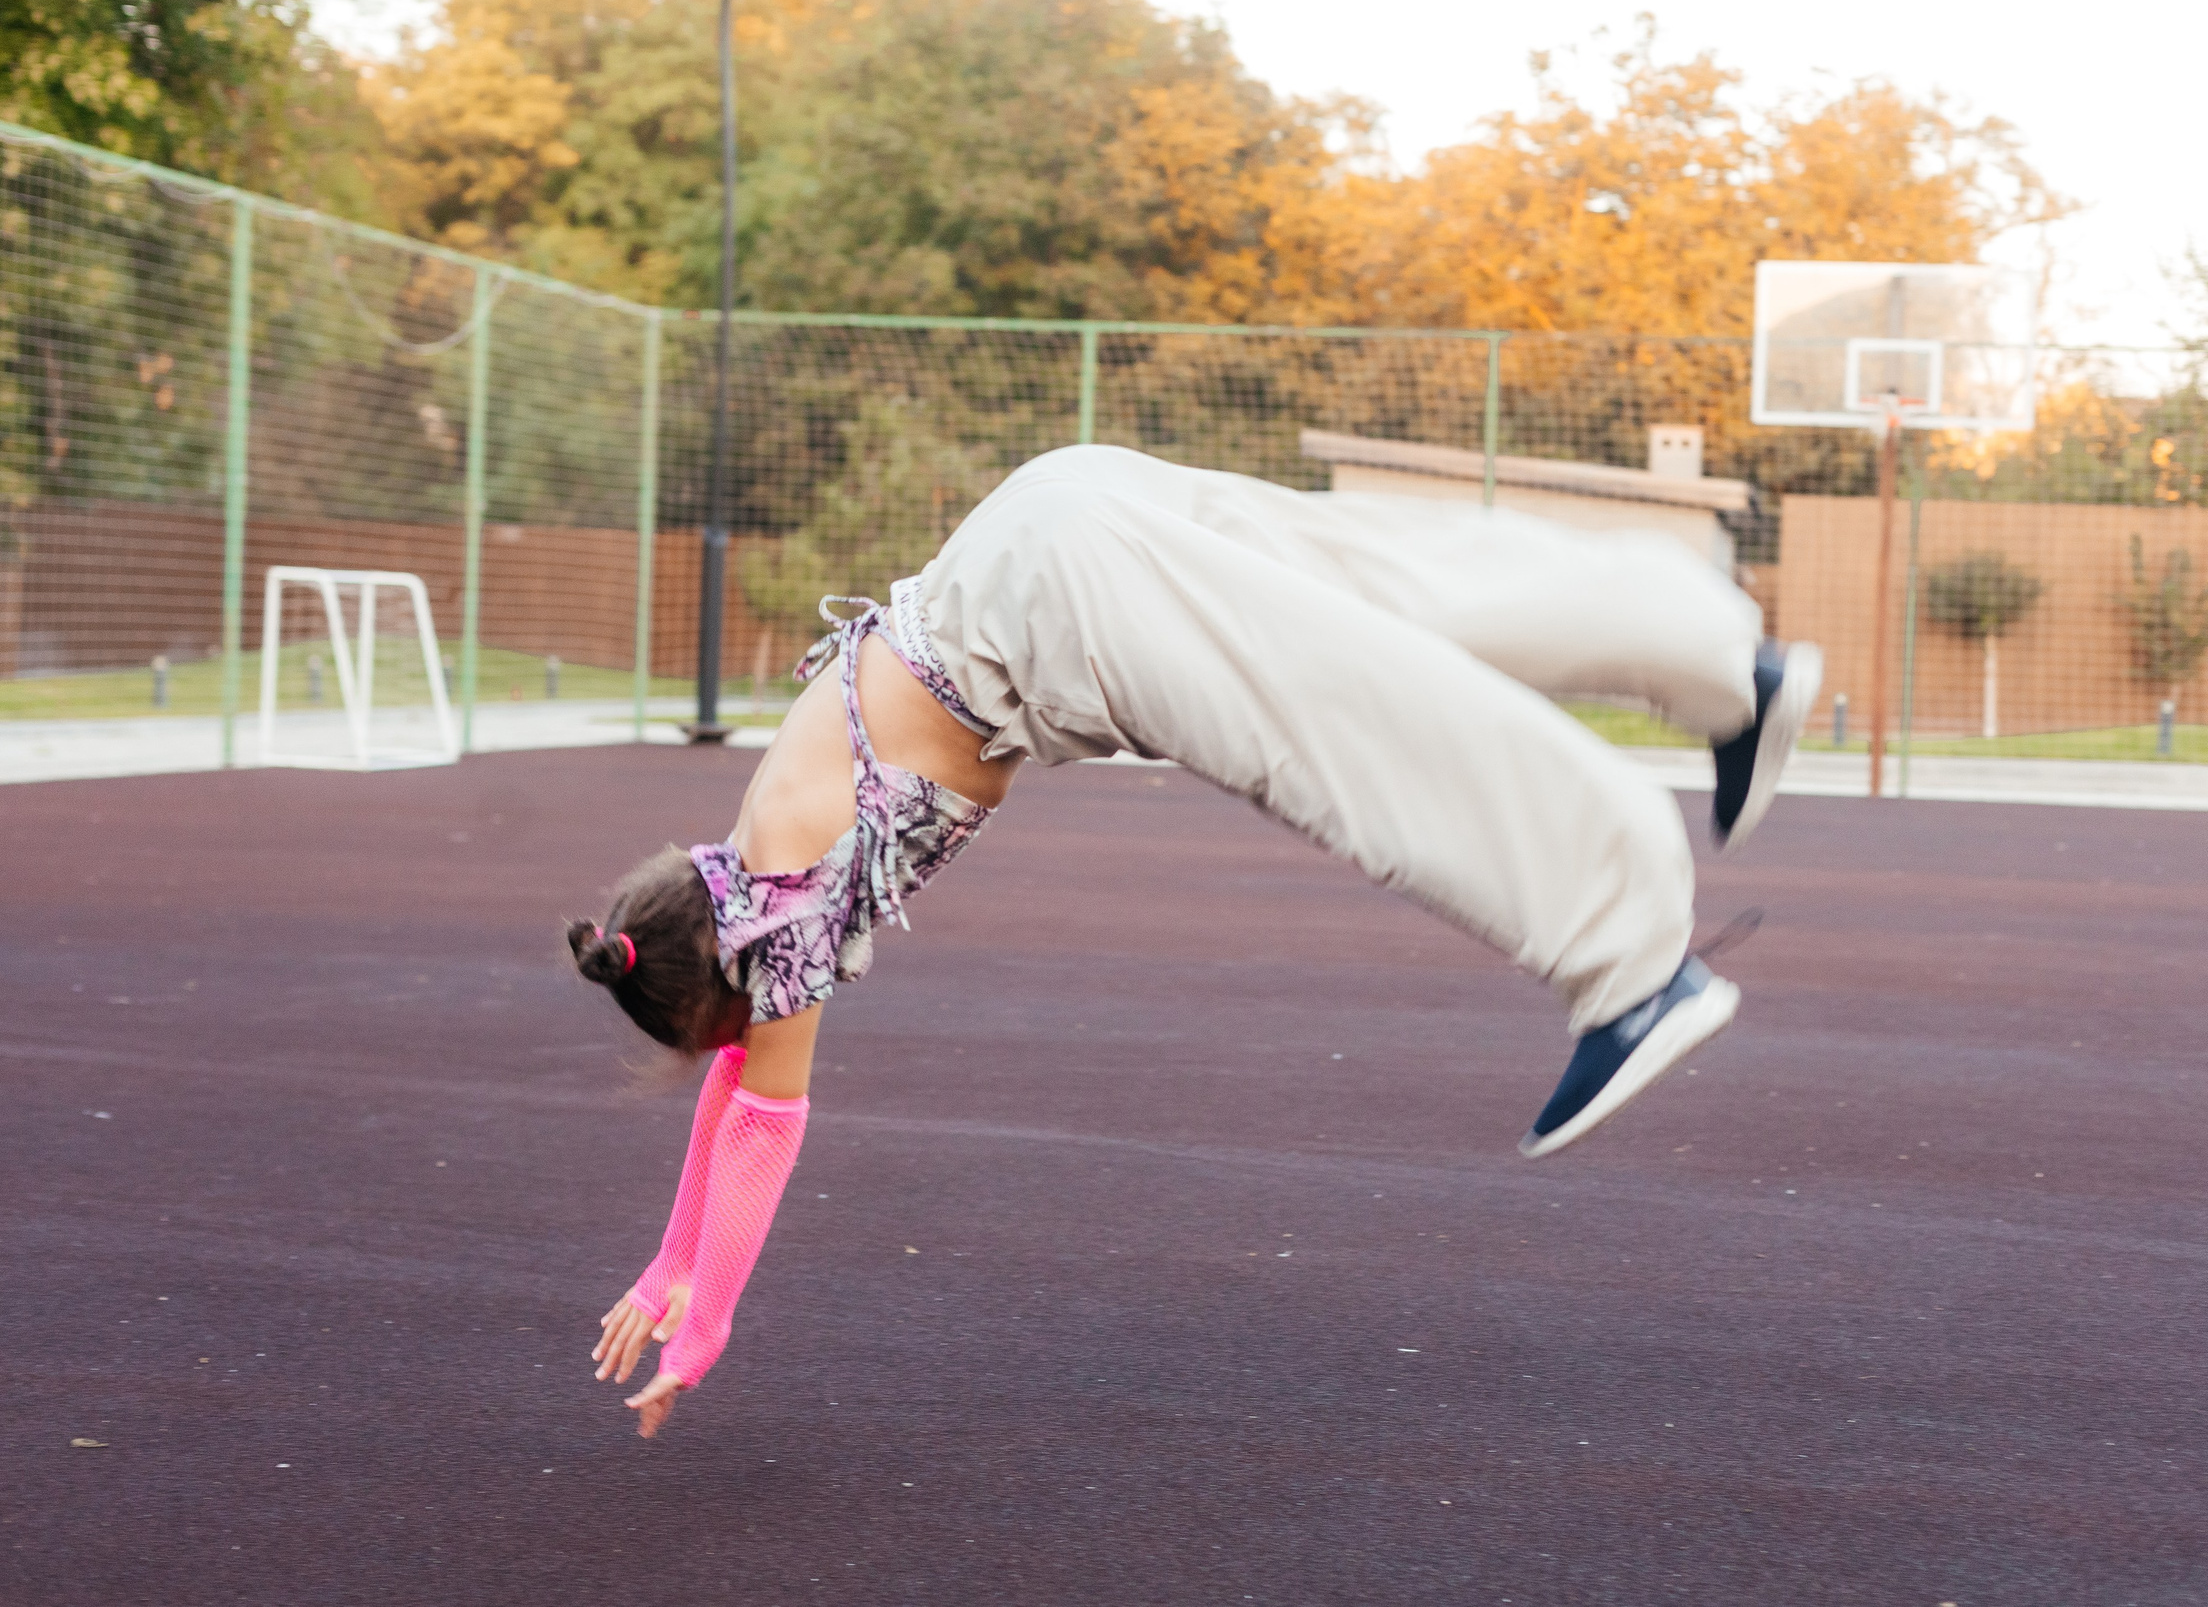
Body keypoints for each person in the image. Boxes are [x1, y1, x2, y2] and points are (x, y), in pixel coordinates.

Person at [573, 444, 1821, 1436]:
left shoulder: (782, 901)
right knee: (1382, 587)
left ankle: (1634, 963)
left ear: (722, 988)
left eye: (721, 1032)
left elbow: (763, 1124)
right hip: (1049, 518)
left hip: (1068, 610)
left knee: (1337, 727)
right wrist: (661, 1269)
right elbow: (738, 1085)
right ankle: (1732, 668)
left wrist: (705, 1324)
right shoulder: (744, 857)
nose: (759, 1037)